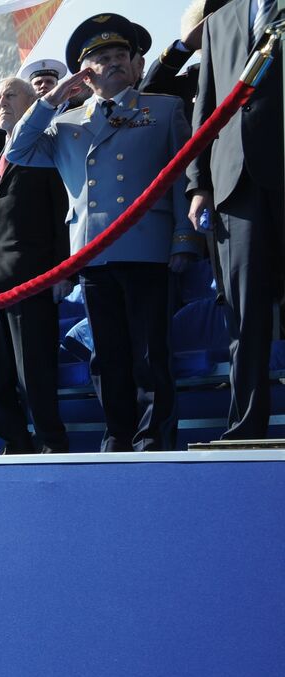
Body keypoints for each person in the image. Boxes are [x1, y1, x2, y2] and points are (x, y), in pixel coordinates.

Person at [8, 12, 201, 451]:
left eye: (120, 55)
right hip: (92, 253)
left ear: (136, 65)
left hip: (148, 246)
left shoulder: (163, 109)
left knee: (150, 351)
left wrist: (184, 241)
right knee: (107, 354)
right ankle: (117, 432)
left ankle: (153, 435)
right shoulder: (65, 123)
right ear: (83, 72)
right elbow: (18, 150)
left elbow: (181, 179)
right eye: (100, 58)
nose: (112, 62)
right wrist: (52, 99)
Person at [189, 0, 283, 441]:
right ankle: (247, 426)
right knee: (245, 315)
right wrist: (199, 183)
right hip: (236, 182)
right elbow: (206, 106)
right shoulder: (219, 22)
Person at [0, 77, 71, 454]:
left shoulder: (48, 151)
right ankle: (15, 441)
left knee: (33, 369)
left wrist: (62, 269)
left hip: (30, 278)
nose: (1, 103)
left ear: (34, 101)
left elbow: (60, 214)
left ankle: (51, 441)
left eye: (11, 95)